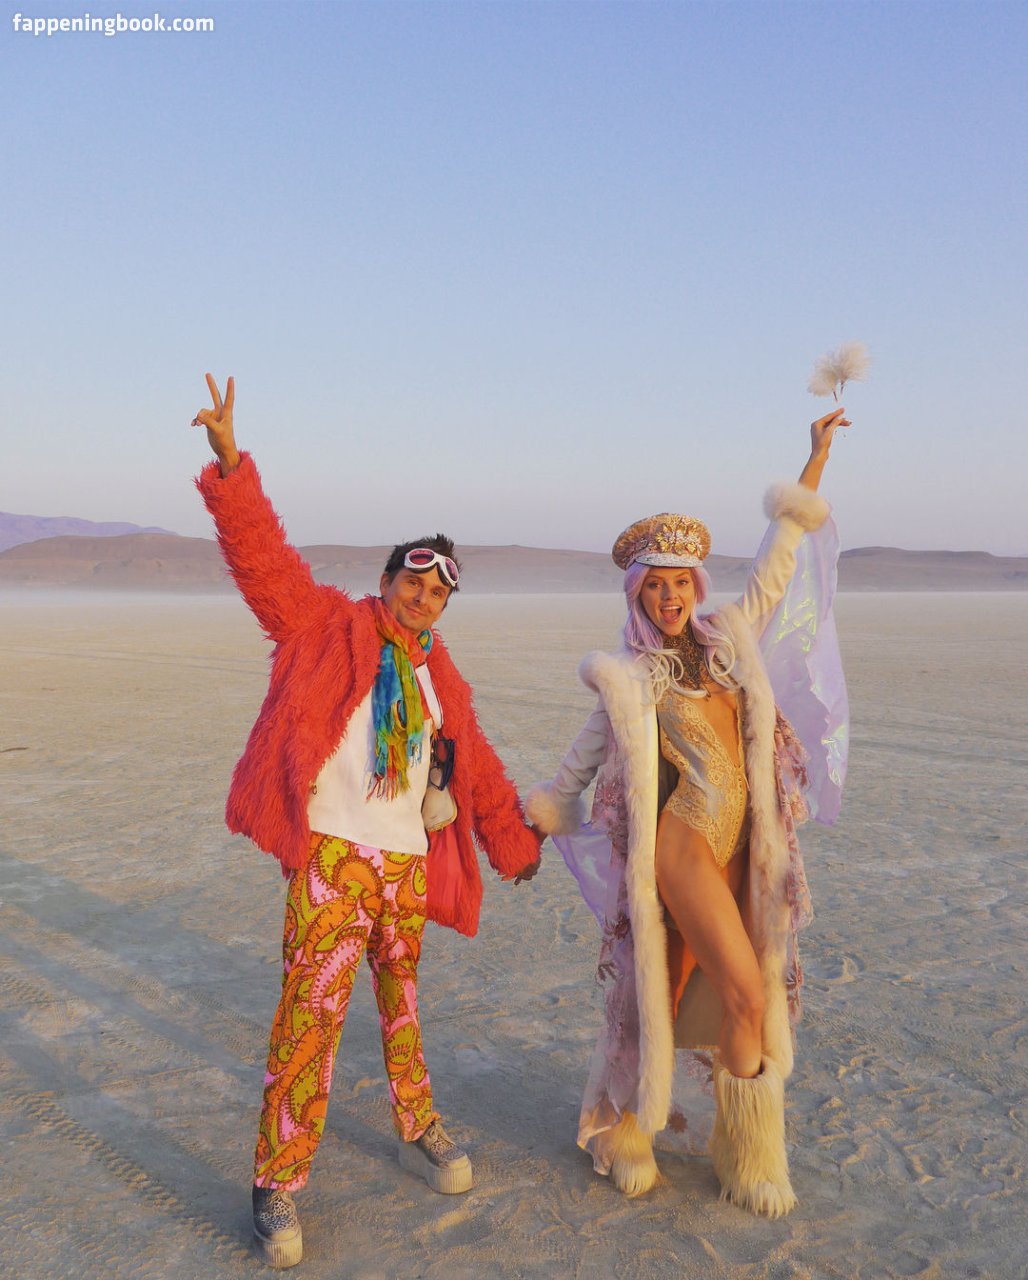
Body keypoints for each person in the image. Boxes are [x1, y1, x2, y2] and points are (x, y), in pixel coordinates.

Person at [191, 374, 541, 1269]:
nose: (424, 599)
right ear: (385, 582)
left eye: (438, 593)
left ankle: (417, 1124)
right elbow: (265, 563)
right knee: (308, 1018)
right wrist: (230, 469)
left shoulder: (437, 675)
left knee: (402, 1007)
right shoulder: (324, 627)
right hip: (334, 859)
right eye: (413, 582)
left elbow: (477, 764)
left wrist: (512, 843)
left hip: (405, 866)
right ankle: (277, 1181)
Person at [527, 409, 850, 1218]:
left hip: (745, 848)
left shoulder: (730, 640)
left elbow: (775, 567)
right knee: (745, 991)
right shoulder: (629, 676)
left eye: (680, 582)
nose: (669, 596)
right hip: (684, 848)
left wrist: (813, 462)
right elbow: (579, 763)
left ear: (695, 587)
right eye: (655, 584)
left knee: (669, 994)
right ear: (637, 592)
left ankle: (692, 1143)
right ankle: (736, 1156)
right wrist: (536, 818)